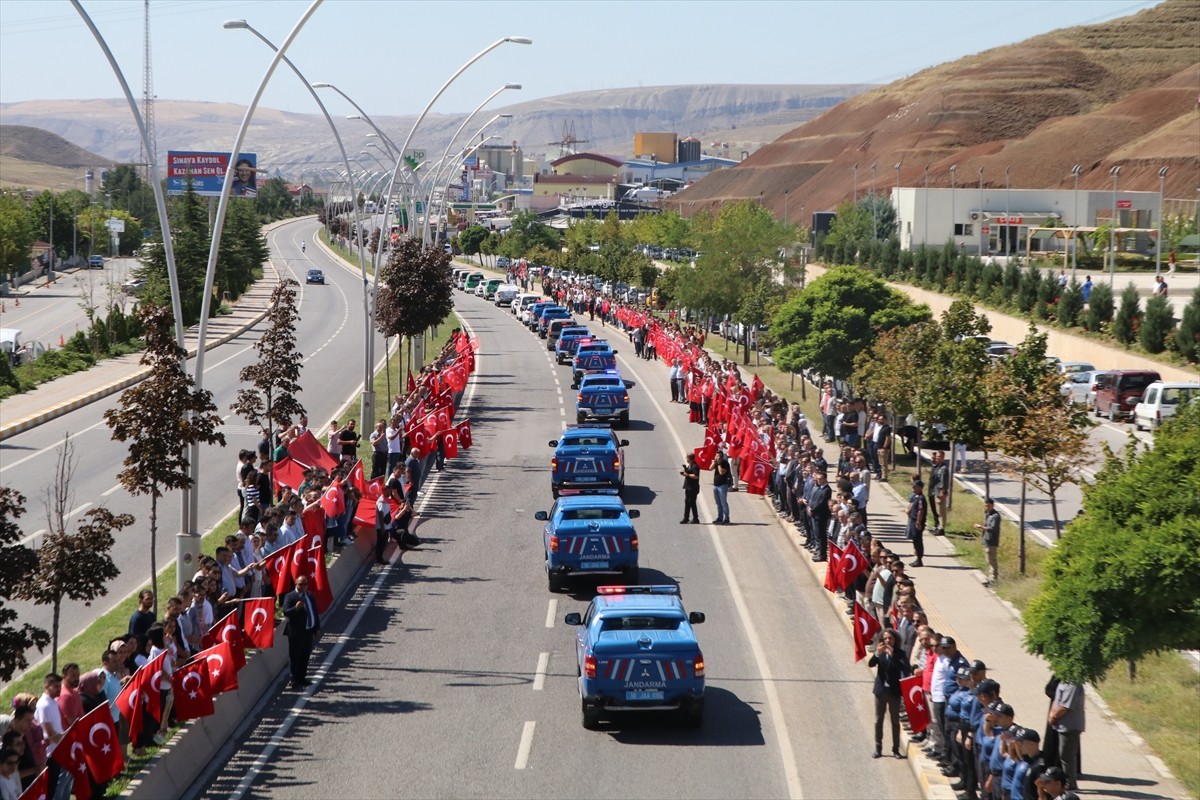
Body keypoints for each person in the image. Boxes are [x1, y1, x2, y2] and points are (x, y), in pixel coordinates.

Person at [868, 629, 909, 759]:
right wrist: (876, 654)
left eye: (890, 638)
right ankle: (878, 747)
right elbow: (871, 664)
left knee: (895, 721)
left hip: (894, 692)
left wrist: (893, 657)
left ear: (895, 640)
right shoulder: (880, 652)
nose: (887, 641)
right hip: (881, 691)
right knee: (878, 720)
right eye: (885, 639)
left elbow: (904, 668)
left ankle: (895, 749)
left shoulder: (900, 653)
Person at [282, 576, 321, 690]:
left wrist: (317, 627)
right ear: (296, 584)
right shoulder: (290, 596)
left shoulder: (309, 595)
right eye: (301, 584)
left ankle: (302, 678)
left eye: (305, 584)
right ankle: (293, 680)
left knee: (305, 655)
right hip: (296, 632)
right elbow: (286, 612)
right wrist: (296, 608)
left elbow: (314, 611)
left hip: (308, 631)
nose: (303, 586)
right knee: (295, 656)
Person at [1049, 680, 1085, 790]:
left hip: (1070, 726)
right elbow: (1057, 699)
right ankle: (1067, 781)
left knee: (1067, 755)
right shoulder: (1064, 680)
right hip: (1062, 725)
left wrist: (1053, 716)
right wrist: (1051, 713)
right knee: (1064, 755)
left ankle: (1070, 783)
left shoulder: (1073, 684)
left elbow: (1066, 706)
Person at [33, 674, 64, 799]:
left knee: (55, 786)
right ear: (46, 686)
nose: (58, 689)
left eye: (59, 686)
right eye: (55, 686)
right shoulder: (44, 705)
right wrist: (67, 738)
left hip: (57, 750)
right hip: (50, 754)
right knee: (49, 789)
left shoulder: (53, 702)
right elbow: (50, 733)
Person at [974, 497, 1001, 586]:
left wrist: (981, 527)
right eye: (985, 506)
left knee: (992, 560)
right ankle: (990, 578)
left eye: (988, 506)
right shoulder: (987, 514)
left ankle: (993, 579)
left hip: (992, 541)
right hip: (986, 540)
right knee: (988, 560)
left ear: (992, 505)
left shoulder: (995, 516)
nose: (987, 508)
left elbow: (992, 528)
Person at [907, 479, 928, 567]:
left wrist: (918, 522)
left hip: (917, 522)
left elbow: (920, 511)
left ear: (920, 488)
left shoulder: (921, 498)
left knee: (918, 541)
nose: (913, 488)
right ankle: (918, 559)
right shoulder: (916, 496)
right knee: (915, 541)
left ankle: (919, 559)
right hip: (913, 520)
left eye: (915, 487)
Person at [928, 451, 949, 534]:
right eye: (937, 456)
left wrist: (942, 493)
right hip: (936, 492)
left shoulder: (943, 468)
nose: (938, 458)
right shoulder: (938, 467)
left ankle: (941, 529)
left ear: (943, 457)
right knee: (938, 511)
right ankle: (938, 526)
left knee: (941, 511)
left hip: (940, 493)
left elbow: (944, 482)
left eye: (939, 457)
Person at [712, 452, 732, 525]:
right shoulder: (716, 463)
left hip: (722, 486)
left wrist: (719, 464)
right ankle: (719, 517)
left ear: (722, 457)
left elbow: (721, 472)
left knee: (723, 503)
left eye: (719, 456)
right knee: (718, 503)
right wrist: (714, 462)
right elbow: (710, 468)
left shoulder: (725, 464)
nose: (718, 458)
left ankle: (726, 518)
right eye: (717, 456)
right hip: (715, 485)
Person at [680, 453, 700, 524]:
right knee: (687, 502)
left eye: (687, 458)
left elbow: (696, 476)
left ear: (690, 458)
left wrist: (687, 475)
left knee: (692, 502)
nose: (686, 459)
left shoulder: (695, 466)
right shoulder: (690, 466)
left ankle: (695, 518)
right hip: (688, 487)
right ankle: (686, 517)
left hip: (693, 488)